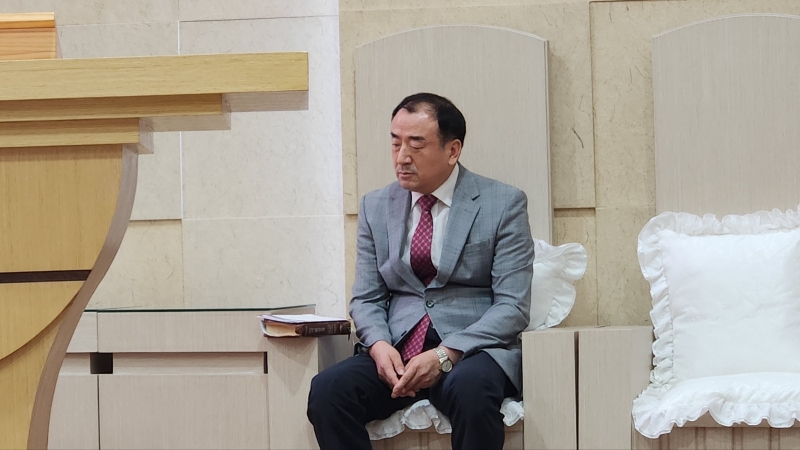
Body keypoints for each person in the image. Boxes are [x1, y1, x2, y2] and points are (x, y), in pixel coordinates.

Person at [307, 93, 534, 450]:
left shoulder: (502, 203)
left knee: (472, 392)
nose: (401, 157)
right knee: (328, 391)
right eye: (395, 143)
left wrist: (445, 354)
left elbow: (513, 306)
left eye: (416, 144)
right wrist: (379, 345)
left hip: (470, 351)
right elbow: (366, 298)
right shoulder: (375, 205)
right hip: (398, 348)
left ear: (452, 150)